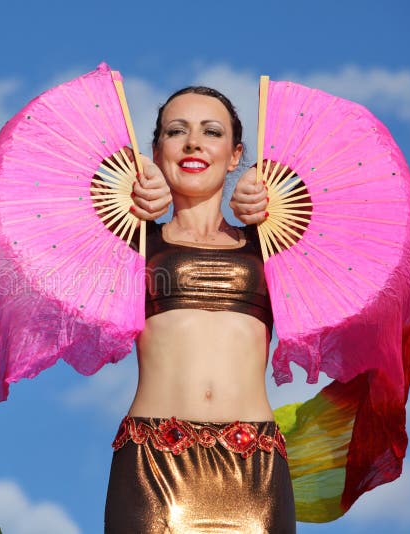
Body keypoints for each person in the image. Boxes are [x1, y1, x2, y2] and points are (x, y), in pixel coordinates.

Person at [104, 86, 294, 533]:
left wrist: (282, 187)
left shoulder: (274, 241)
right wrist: (122, 189)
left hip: (255, 472)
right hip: (151, 469)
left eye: (211, 132)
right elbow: (51, 221)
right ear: (155, 151)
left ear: (235, 155)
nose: (193, 143)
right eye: (176, 131)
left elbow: (345, 226)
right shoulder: (129, 238)